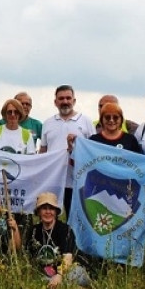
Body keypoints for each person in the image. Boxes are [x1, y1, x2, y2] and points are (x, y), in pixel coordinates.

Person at [40, 85, 93, 218]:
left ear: (74, 101)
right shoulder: (48, 123)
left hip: (77, 181)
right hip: (53, 181)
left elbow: (92, 150)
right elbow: (43, 151)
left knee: (75, 218)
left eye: (68, 98)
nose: (65, 101)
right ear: (55, 102)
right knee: (50, 218)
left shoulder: (85, 121)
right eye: (61, 98)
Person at [26, 192, 92, 289]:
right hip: (48, 275)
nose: (48, 212)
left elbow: (68, 258)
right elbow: (30, 259)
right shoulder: (34, 231)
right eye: (44, 208)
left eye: (51, 208)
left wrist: (59, 276)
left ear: (56, 212)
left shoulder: (65, 230)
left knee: (63, 279)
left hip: (71, 270)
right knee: (40, 281)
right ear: (38, 212)